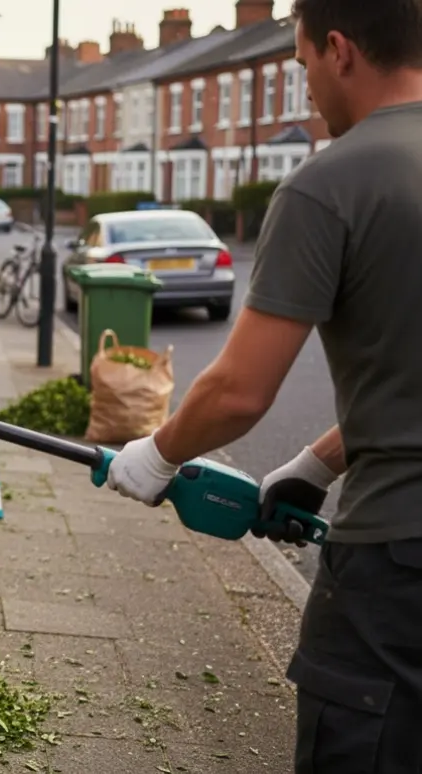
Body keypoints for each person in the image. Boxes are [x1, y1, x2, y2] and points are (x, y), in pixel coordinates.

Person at [104, 0, 422, 770]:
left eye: (302, 60)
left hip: (400, 563)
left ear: (339, 49)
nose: (305, 83)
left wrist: (154, 456)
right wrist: (316, 463)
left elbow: (240, 391)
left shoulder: (332, 183)